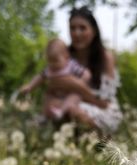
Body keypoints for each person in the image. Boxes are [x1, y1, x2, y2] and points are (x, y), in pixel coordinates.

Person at [45, 6, 123, 135]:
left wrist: (77, 86)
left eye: (82, 28)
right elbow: (51, 88)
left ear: (94, 31)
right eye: (72, 28)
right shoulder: (63, 57)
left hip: (103, 110)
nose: (77, 33)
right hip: (68, 105)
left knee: (74, 111)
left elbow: (104, 103)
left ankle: (99, 146)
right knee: (56, 106)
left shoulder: (105, 57)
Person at [19, 38, 91, 120]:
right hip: (55, 94)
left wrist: (81, 81)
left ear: (66, 56)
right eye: (50, 61)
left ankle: (61, 112)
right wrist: (30, 86)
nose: (53, 64)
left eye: (56, 61)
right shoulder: (49, 69)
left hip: (69, 92)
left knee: (75, 95)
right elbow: (39, 77)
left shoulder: (71, 65)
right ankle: (44, 115)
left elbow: (86, 74)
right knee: (47, 96)